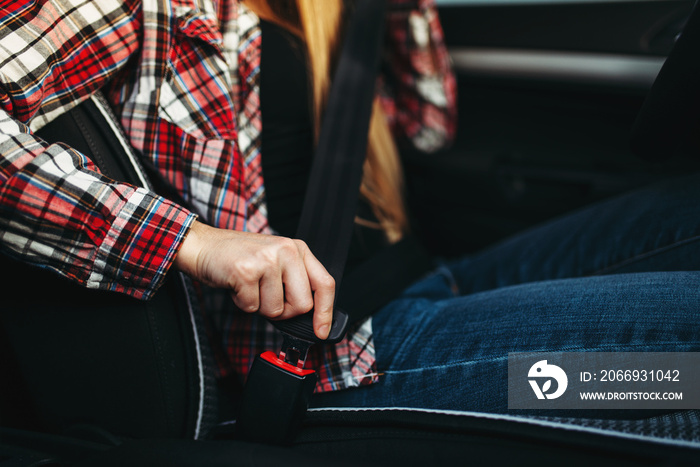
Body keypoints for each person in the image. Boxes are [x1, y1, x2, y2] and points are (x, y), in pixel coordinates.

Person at [0, 0, 699, 417]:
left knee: (686, 210)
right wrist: (196, 240)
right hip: (336, 354)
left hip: (424, 278)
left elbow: (429, 124)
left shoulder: (333, 12)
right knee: (684, 348)